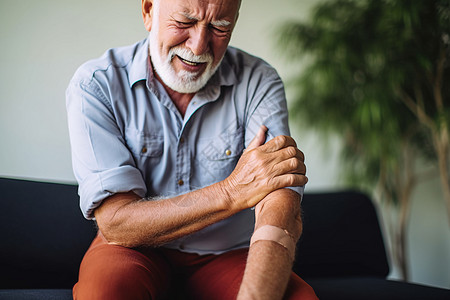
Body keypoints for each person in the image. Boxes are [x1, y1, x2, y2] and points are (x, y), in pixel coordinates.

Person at [66, 0, 318, 299]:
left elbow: (279, 203)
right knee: (104, 293)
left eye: (219, 27)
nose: (199, 47)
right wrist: (231, 192)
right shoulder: (97, 84)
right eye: (184, 23)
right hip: (132, 249)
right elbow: (118, 224)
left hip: (228, 252)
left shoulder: (258, 81)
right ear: (148, 11)